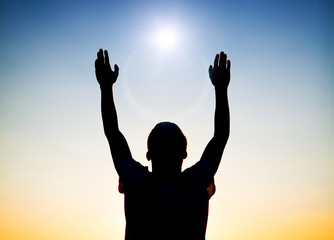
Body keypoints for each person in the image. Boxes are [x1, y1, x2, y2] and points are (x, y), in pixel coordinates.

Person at [95, 49, 230, 240]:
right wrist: (221, 88)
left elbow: (112, 133)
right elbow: (221, 136)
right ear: (184, 153)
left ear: (149, 155)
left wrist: (105, 87)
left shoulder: (136, 180)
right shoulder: (196, 182)